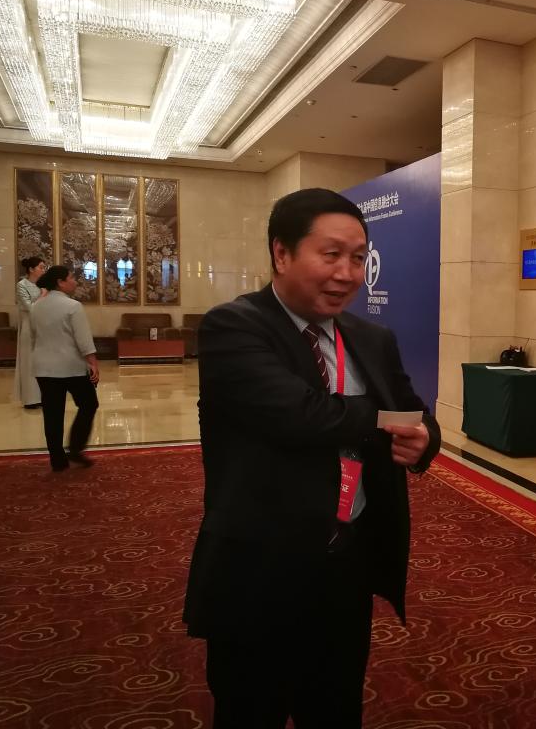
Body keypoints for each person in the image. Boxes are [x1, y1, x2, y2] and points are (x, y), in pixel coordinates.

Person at [183, 187, 441, 728]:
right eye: (331, 255)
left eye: (358, 258)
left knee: (335, 702)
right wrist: (384, 421)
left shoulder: (372, 337)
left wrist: (426, 439)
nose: (347, 274)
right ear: (281, 253)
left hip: (346, 558)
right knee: (251, 708)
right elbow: (301, 415)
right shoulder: (234, 326)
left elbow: (414, 410)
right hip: (262, 566)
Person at [30, 265, 99, 472]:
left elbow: (34, 335)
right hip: (71, 367)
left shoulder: (36, 306)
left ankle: (57, 460)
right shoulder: (73, 306)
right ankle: (76, 448)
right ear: (60, 282)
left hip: (43, 367)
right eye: (71, 278)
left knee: (52, 413)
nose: (75, 281)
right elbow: (83, 340)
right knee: (89, 404)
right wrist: (93, 363)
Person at [15, 256, 46, 408]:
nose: (43, 270)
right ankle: (30, 399)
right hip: (28, 325)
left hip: (43, 326)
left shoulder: (43, 285)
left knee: (42, 361)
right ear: (31, 269)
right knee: (29, 360)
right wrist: (43, 295)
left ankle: (43, 396)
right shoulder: (21, 285)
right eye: (41, 267)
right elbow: (30, 308)